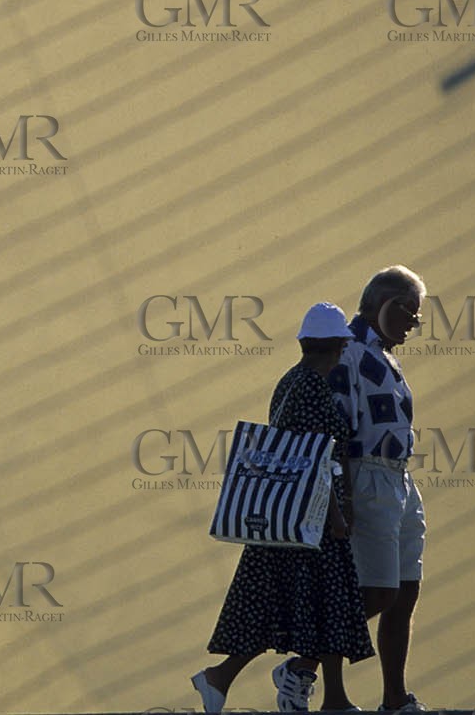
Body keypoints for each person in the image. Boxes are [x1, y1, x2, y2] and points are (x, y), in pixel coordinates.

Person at [192, 303, 375, 713]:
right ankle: (262, 682)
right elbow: (315, 461)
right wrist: (337, 516)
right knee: (320, 606)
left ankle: (231, 679)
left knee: (285, 609)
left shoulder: (293, 380)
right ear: (340, 345)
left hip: (284, 518)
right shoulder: (312, 387)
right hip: (308, 522)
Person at [318, 265, 429, 712]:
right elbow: (336, 426)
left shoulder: (383, 354)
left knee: (405, 591)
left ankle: (394, 697)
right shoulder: (347, 351)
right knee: (379, 591)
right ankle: (303, 664)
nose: (413, 327)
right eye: (410, 315)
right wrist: (341, 495)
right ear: (387, 306)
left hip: (398, 477)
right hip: (366, 475)